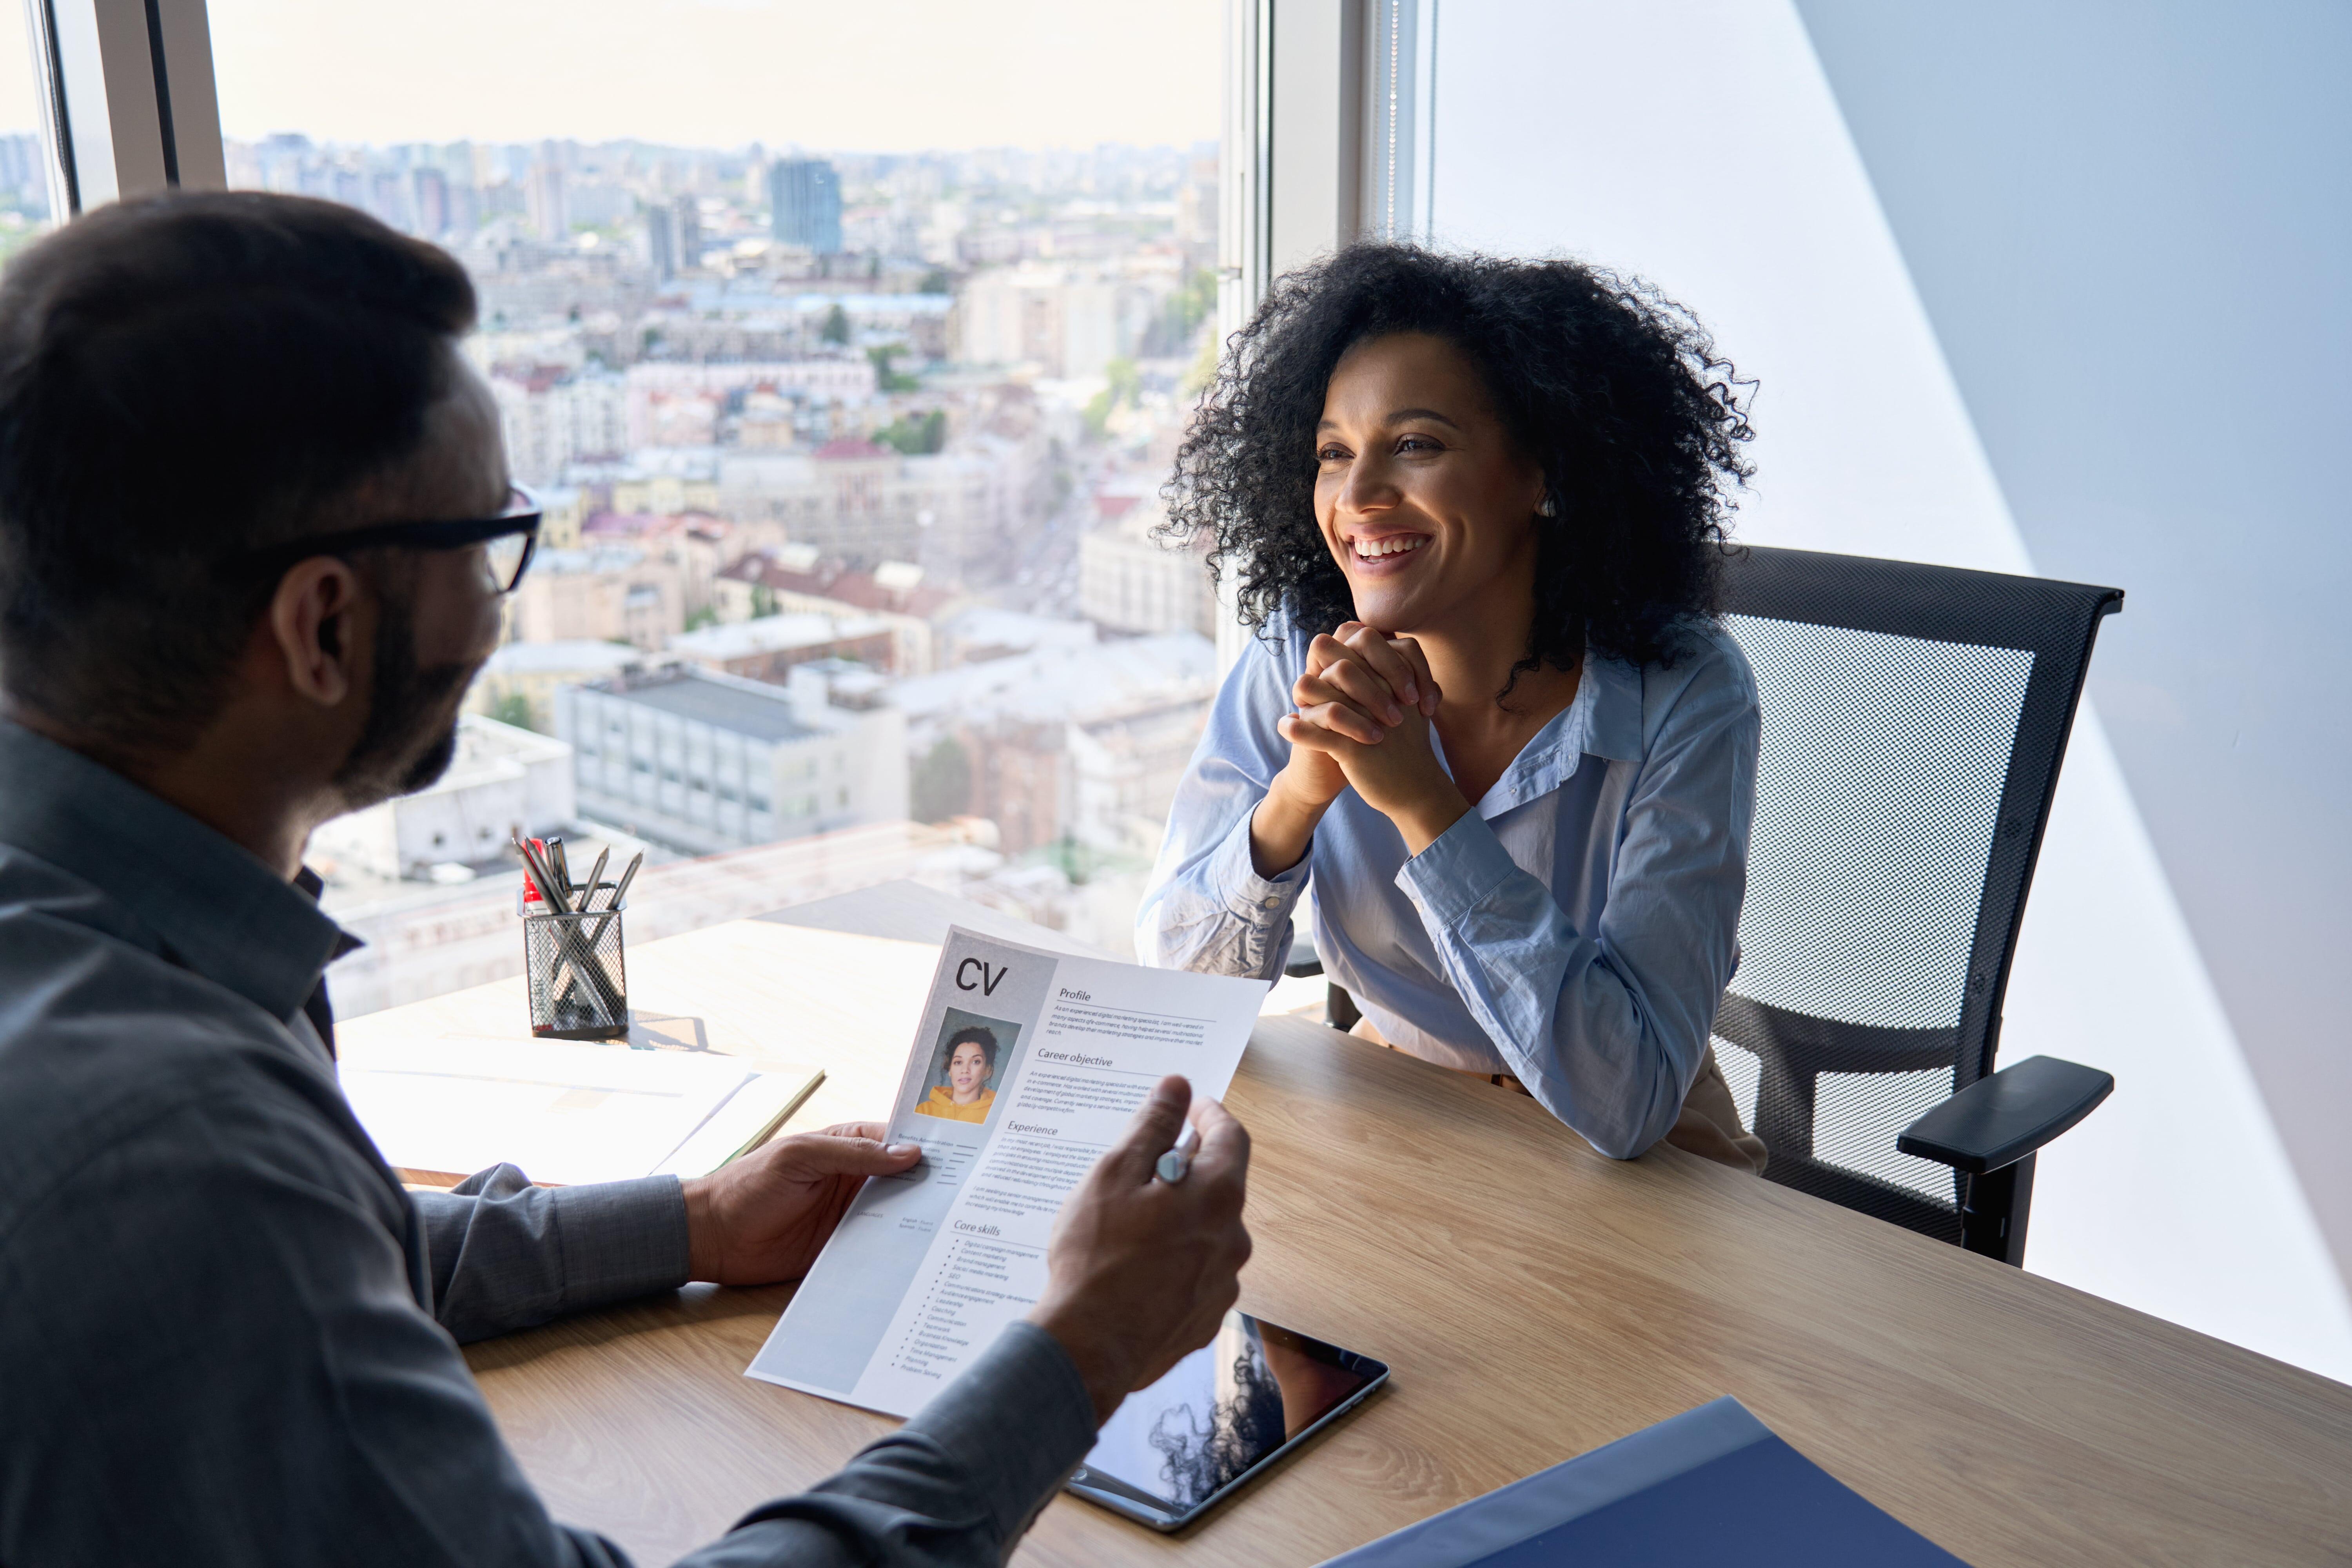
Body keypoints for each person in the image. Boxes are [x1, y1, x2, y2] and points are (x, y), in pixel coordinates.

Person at [0, 192, 1254, 1567]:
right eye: (488, 545)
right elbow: (238, 1239)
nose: (500, 611)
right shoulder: (171, 1151)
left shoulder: (87, 948)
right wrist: (1081, 1350)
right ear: (324, 626)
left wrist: (691, 1222)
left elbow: (310, 1263)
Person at [1139, 244, 1766, 1171]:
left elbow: (1630, 1096)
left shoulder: (1685, 690)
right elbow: (1174, 992)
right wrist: (1297, 796)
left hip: (1638, 1159)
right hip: (1399, 1108)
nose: (1357, 497)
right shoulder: (1301, 647)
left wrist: (1423, 804)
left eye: (1415, 445)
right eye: (1334, 453)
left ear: (1543, 468)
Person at [915, 1025, 1000, 1122]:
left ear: (988, 1070)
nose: (965, 1070)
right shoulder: (924, 1111)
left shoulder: (995, 1116)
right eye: (958, 1062)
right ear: (950, 1069)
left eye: (976, 1062)